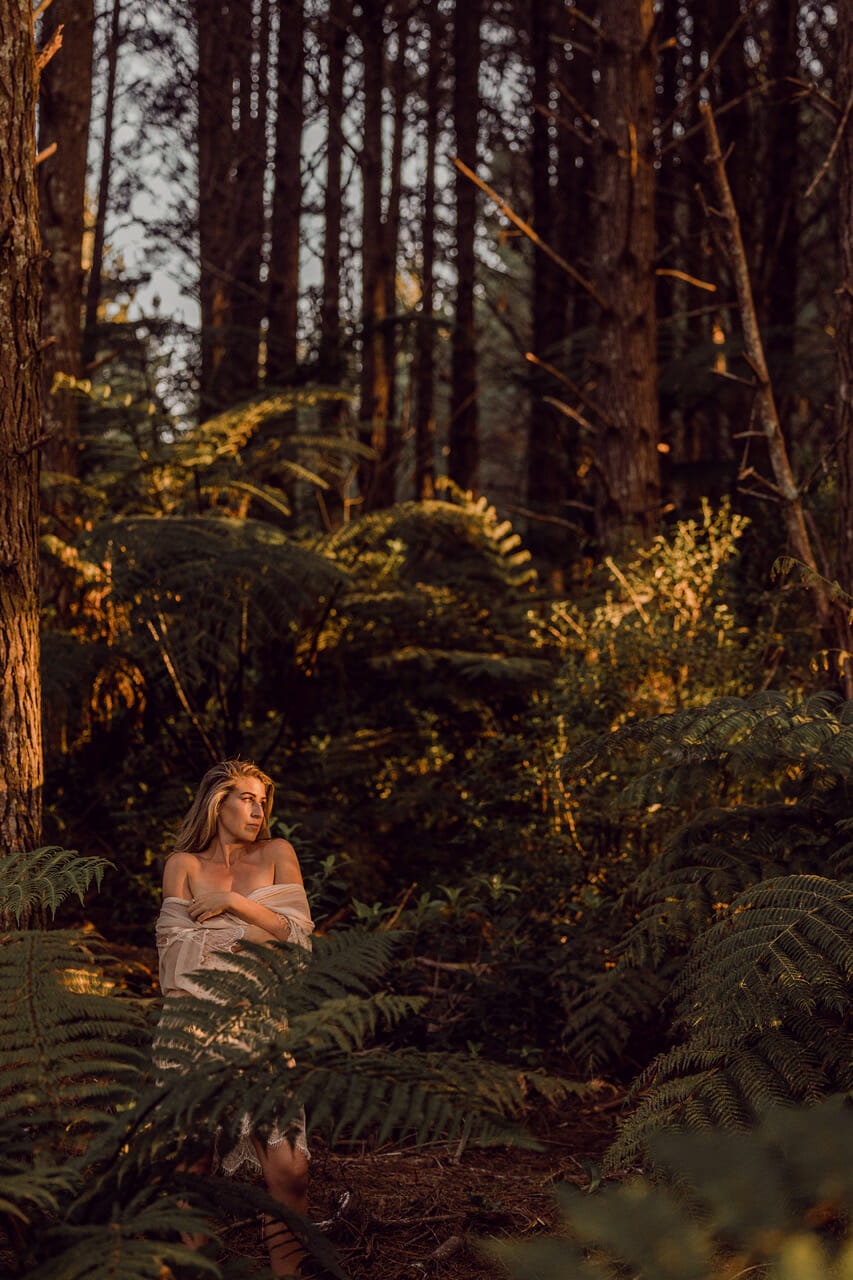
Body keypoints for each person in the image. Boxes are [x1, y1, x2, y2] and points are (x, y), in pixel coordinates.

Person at [155, 758, 314, 1278]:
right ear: (216, 802)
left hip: (258, 1025)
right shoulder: (183, 865)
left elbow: (297, 942)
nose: (257, 808)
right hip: (189, 1028)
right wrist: (259, 928)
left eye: (262, 801)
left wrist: (230, 905)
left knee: (289, 1168)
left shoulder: (276, 853)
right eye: (246, 798)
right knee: (193, 1163)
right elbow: (174, 955)